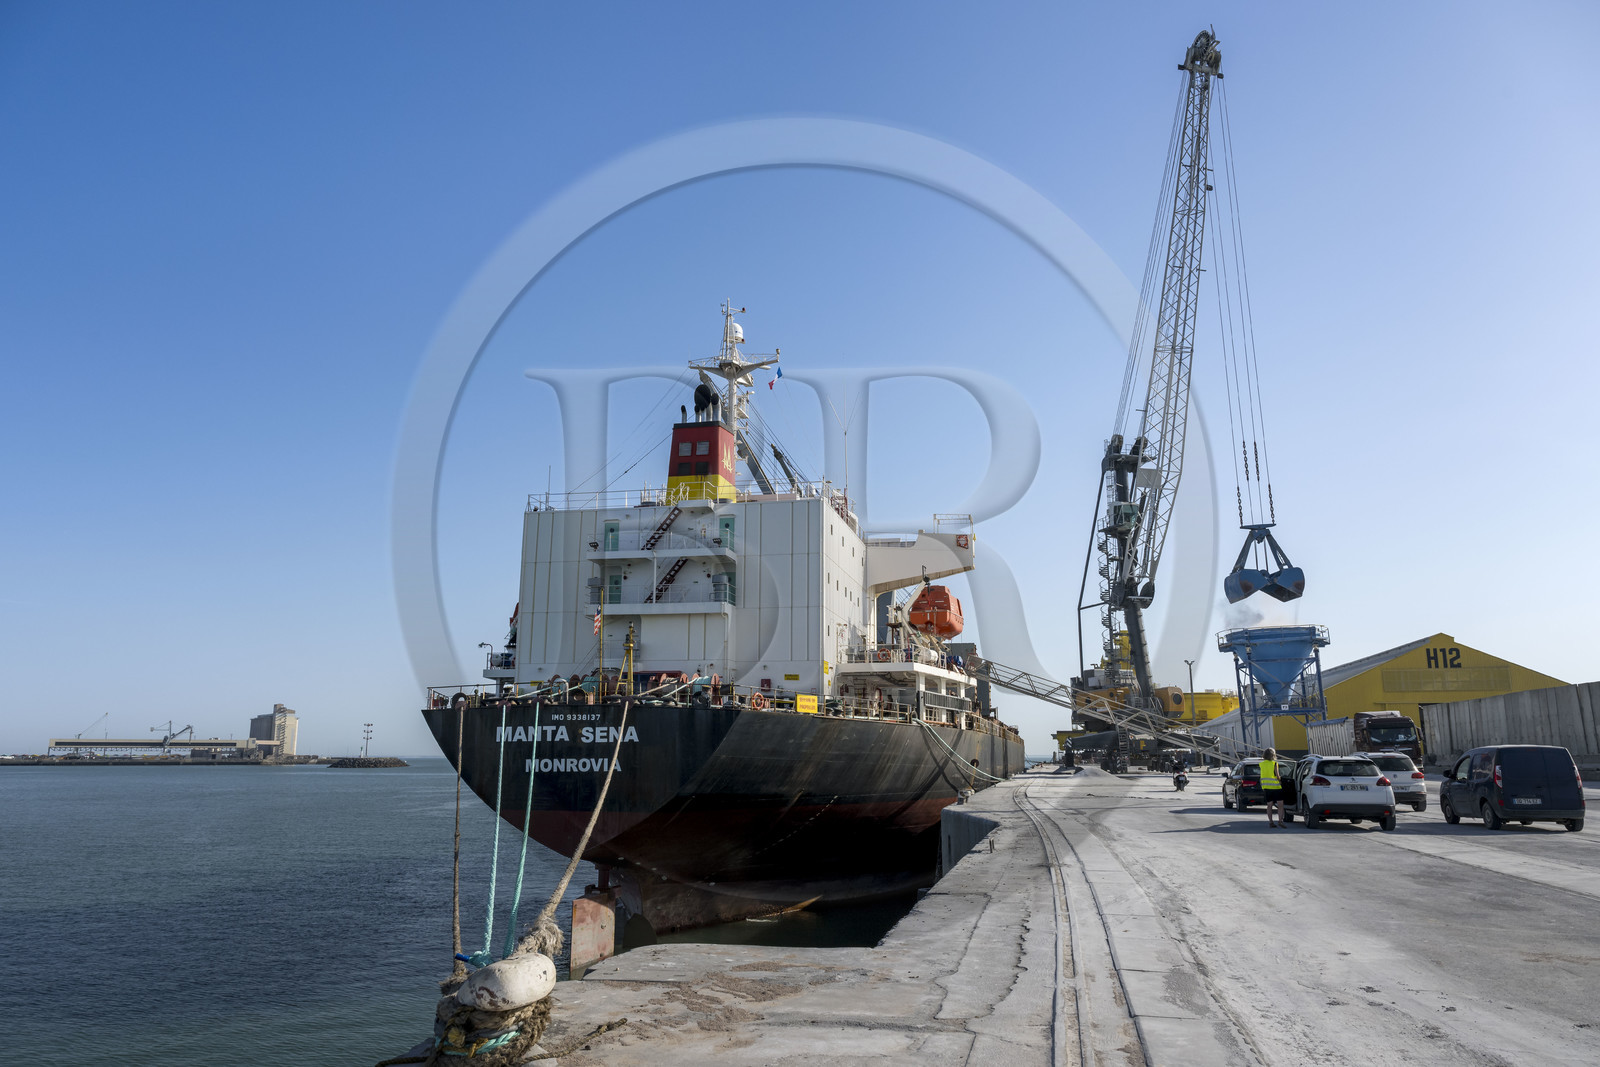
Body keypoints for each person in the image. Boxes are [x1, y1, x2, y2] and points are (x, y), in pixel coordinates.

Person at [1260, 747, 1286, 827]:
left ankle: (1271, 822)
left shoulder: (1261, 764)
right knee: (1280, 805)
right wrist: (1281, 780)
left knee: (1269, 805)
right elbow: (1277, 776)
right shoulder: (1275, 763)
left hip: (1266, 787)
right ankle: (1280, 821)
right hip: (1276, 787)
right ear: (1273, 755)